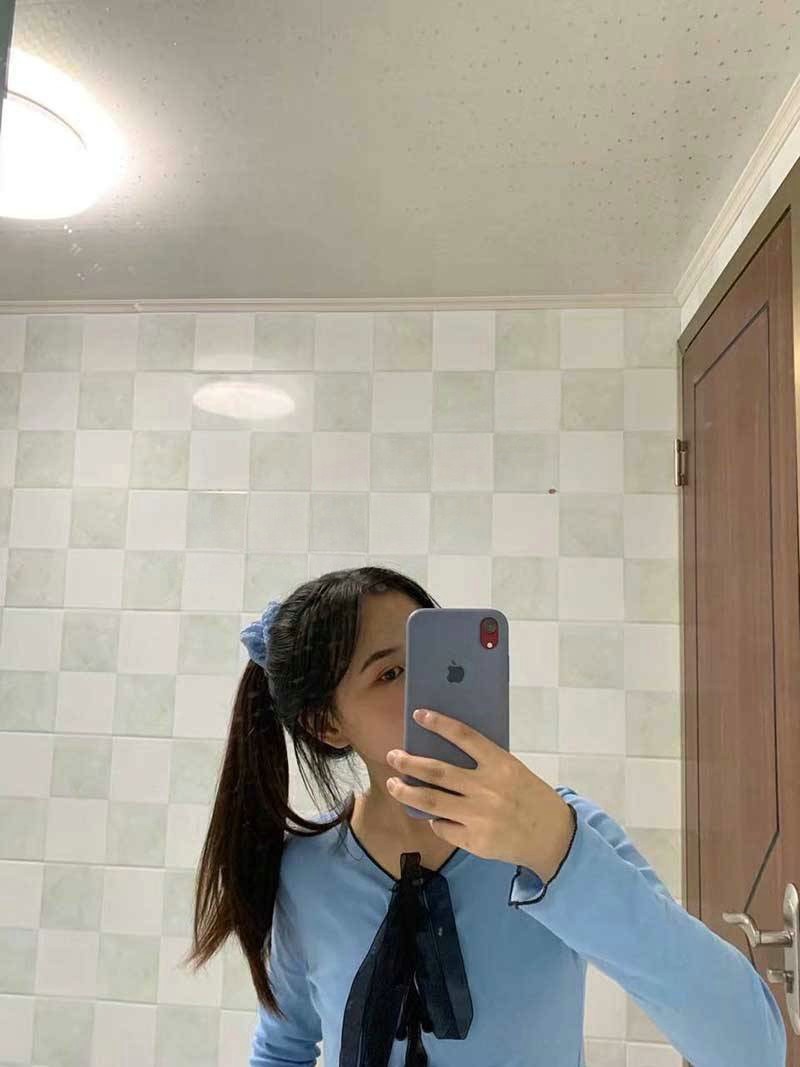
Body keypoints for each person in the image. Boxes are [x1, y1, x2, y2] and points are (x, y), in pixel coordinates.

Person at [183, 565, 786, 1067]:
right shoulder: (305, 874)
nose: (429, 689)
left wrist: (558, 853)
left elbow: (752, 1050)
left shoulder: (563, 833)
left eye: (432, 659)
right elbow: (283, 1048)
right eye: (391, 673)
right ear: (327, 725)